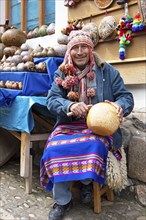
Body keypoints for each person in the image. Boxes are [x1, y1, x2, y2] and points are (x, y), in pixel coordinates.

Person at [40, 30, 134, 220]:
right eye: (75, 48)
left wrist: (119, 106)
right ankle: (63, 200)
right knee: (53, 148)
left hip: (98, 126)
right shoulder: (62, 73)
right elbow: (51, 100)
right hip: (68, 125)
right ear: (69, 51)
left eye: (84, 47)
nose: (80, 52)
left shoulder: (107, 71)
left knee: (94, 144)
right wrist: (70, 105)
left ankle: (86, 181)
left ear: (91, 50)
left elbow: (126, 97)